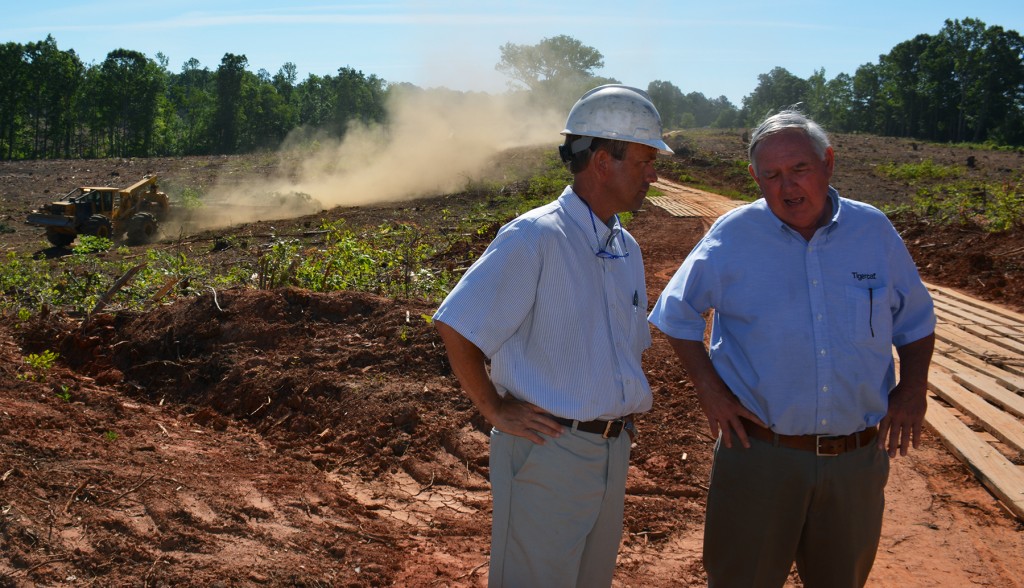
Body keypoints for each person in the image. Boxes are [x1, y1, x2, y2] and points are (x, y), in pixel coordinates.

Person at [648, 109, 936, 588]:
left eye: (799, 169)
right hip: (760, 457)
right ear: (754, 178)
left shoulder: (873, 232)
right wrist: (710, 392)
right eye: (772, 175)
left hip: (856, 463)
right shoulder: (733, 236)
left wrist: (913, 388)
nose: (788, 187)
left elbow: (916, 321)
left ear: (827, 162)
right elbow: (675, 313)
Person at [432, 84, 672, 587]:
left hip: (610, 450)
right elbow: (458, 324)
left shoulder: (624, 247)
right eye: (646, 158)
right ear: (603, 161)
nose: (654, 173)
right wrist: (494, 410)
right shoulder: (536, 237)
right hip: (550, 451)